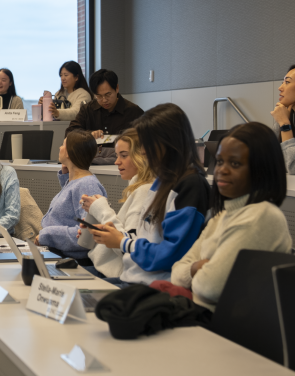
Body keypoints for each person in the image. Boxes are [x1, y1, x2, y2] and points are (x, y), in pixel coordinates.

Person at [84, 103, 210, 287]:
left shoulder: (191, 186)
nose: (143, 150)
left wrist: (122, 242)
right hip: (132, 278)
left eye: (147, 143)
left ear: (166, 142)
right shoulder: (161, 182)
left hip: (153, 287)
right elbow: (146, 239)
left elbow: (170, 255)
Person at [171, 123, 292, 311]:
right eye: (219, 161)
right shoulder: (222, 215)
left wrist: (194, 270)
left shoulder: (260, 216)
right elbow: (176, 273)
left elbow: (209, 287)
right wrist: (197, 268)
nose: (222, 170)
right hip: (201, 319)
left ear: (262, 168)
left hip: (226, 331)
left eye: (235, 163)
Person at [78, 128, 156, 278]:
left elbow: (127, 247)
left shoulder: (144, 191)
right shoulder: (139, 189)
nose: (116, 161)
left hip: (116, 276)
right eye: (117, 155)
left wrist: (101, 210)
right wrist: (98, 232)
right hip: (107, 271)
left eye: (124, 155)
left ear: (143, 157)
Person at [34, 131, 106, 261]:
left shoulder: (87, 185)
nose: (60, 148)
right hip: (59, 254)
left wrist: (47, 235)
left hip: (72, 261)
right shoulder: (79, 182)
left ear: (69, 152)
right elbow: (68, 212)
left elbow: (87, 235)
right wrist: (66, 176)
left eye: (63, 145)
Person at [66, 68, 144, 138]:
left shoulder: (133, 111)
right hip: (93, 154)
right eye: (99, 96)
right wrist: (89, 134)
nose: (104, 100)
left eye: (108, 95)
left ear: (117, 88)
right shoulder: (87, 110)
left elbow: (147, 137)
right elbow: (70, 132)